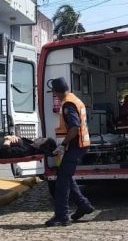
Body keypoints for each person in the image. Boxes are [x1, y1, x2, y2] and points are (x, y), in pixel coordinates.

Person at [45, 77, 94, 227]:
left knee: (62, 182)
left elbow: (74, 127)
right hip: (80, 144)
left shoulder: (68, 103)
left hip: (75, 145)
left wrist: (63, 144)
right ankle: (84, 205)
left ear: (55, 92)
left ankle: (62, 216)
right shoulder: (74, 99)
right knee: (65, 176)